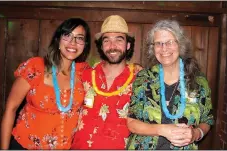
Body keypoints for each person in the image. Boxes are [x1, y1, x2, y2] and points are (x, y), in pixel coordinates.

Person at [0, 18, 91, 149]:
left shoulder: (85, 72)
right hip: (25, 145)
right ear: (58, 40)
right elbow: (11, 109)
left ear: (85, 45)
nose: (73, 43)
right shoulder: (35, 67)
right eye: (67, 36)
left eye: (80, 38)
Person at [126, 20, 214, 150]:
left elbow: (207, 120)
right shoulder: (144, 78)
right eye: (158, 43)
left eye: (170, 42)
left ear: (180, 44)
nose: (164, 48)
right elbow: (132, 123)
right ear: (153, 48)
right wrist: (162, 129)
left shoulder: (198, 80)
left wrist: (195, 134)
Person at [71, 15, 142, 149]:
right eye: (106, 40)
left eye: (118, 40)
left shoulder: (140, 79)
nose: (112, 46)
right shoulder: (84, 73)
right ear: (101, 46)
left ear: (128, 45)